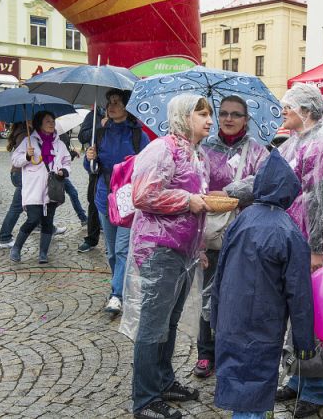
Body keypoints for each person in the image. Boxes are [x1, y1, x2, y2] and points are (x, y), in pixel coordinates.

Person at [120, 94, 212, 419]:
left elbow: (197, 205)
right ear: (183, 116)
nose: (209, 120)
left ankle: (163, 381)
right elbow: (143, 195)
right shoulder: (163, 149)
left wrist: (198, 247)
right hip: (159, 248)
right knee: (153, 324)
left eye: (209, 114)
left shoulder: (196, 155)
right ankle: (144, 400)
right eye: (202, 114)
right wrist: (188, 200)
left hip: (183, 252)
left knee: (170, 322)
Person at [209, 149, 315, 419]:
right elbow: (299, 295)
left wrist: (215, 316)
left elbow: (219, 273)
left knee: (239, 383)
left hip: (232, 319)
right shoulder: (290, 233)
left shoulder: (241, 221)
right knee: (254, 388)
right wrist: (304, 343)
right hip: (263, 323)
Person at [275, 83, 323, 418]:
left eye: (288, 106)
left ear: (305, 110)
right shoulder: (297, 141)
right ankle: (298, 378)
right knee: (298, 315)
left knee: (318, 318)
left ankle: (317, 390)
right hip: (296, 243)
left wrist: (318, 251)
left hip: (313, 246)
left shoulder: (321, 145)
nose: (283, 111)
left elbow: (322, 200)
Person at [194, 95, 269, 379]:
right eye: (223, 113)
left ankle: (233, 352)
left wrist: (230, 192)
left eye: (235, 114)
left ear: (246, 119)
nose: (228, 119)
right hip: (210, 233)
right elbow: (195, 181)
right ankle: (205, 353)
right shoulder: (204, 149)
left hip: (244, 235)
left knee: (239, 297)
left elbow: (262, 183)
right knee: (207, 293)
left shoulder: (257, 151)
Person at [85, 89, 150, 315]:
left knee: (122, 250)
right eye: (109, 102)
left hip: (127, 200)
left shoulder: (138, 136)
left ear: (127, 107)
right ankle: (120, 283)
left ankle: (116, 295)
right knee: (111, 252)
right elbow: (92, 169)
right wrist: (89, 158)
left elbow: (148, 168)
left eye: (117, 103)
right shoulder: (100, 133)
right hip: (104, 196)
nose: (111, 107)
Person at [9, 111, 72, 264]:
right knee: (33, 218)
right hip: (34, 189)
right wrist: (26, 156)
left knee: (48, 221)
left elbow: (67, 162)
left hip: (52, 189)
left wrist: (64, 171)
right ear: (39, 124)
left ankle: (43, 253)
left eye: (53, 120)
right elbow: (15, 160)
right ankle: (16, 247)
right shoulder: (28, 141)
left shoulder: (59, 144)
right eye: (48, 121)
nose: (52, 123)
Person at [77, 107, 106, 253]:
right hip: (96, 166)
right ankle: (91, 238)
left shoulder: (124, 116)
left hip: (116, 168)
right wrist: (100, 124)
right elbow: (82, 137)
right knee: (93, 202)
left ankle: (112, 241)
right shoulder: (94, 116)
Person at [0, 122, 29, 248]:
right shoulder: (24, 134)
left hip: (19, 174)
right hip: (20, 174)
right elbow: (18, 159)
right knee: (16, 207)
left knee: (36, 203)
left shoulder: (23, 131)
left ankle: (42, 226)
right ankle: (4, 237)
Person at [59, 130, 88, 226]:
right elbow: (61, 157)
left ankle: (83, 218)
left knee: (73, 193)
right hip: (58, 173)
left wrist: (72, 153)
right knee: (53, 199)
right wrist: (73, 154)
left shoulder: (63, 134)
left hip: (61, 173)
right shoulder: (61, 135)